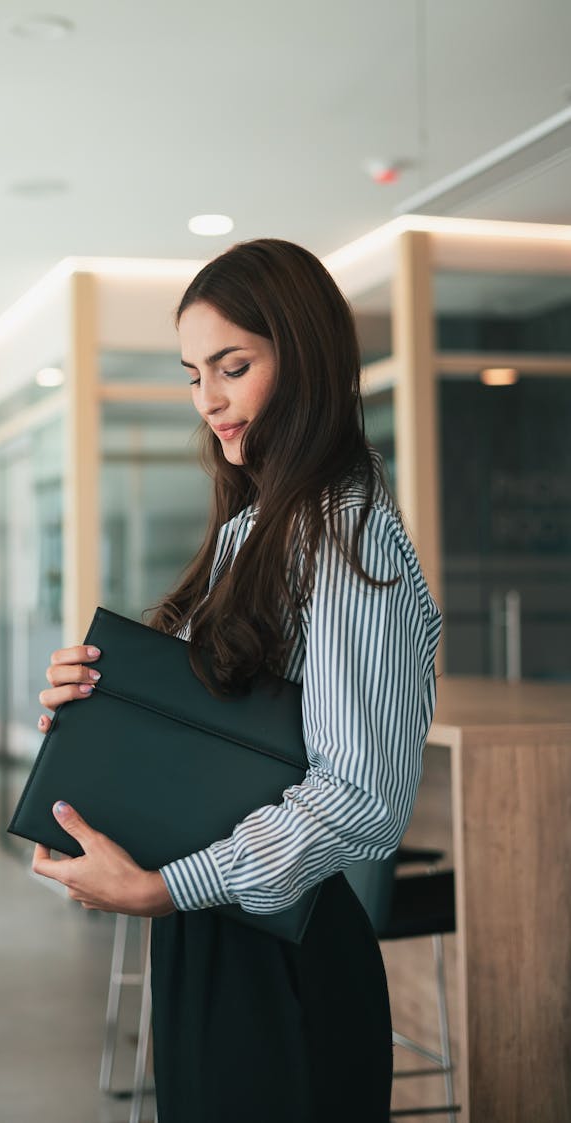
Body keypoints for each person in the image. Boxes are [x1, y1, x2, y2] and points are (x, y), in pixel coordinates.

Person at [32, 238, 442, 1121]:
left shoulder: (345, 536)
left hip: (280, 959)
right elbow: (201, 741)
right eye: (193, 374)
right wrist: (88, 713)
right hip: (216, 939)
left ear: (307, 357)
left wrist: (168, 886)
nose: (209, 401)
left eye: (233, 365)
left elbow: (360, 795)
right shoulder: (257, 527)